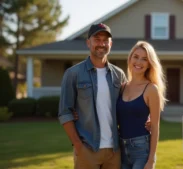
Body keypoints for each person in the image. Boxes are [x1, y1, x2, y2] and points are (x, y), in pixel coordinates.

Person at [58, 23, 127, 169]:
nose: (101, 44)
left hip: (114, 150)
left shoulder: (119, 75)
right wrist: (78, 145)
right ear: (88, 42)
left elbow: (128, 105)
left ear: (111, 44)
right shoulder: (73, 74)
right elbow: (65, 113)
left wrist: (147, 118)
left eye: (105, 40)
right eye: (97, 39)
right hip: (87, 149)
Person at [117, 41, 167, 169]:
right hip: (120, 149)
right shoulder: (121, 87)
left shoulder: (151, 89)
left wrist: (151, 160)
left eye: (144, 59)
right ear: (130, 58)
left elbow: (155, 127)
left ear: (149, 64)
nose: (139, 62)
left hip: (141, 151)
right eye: (136, 57)